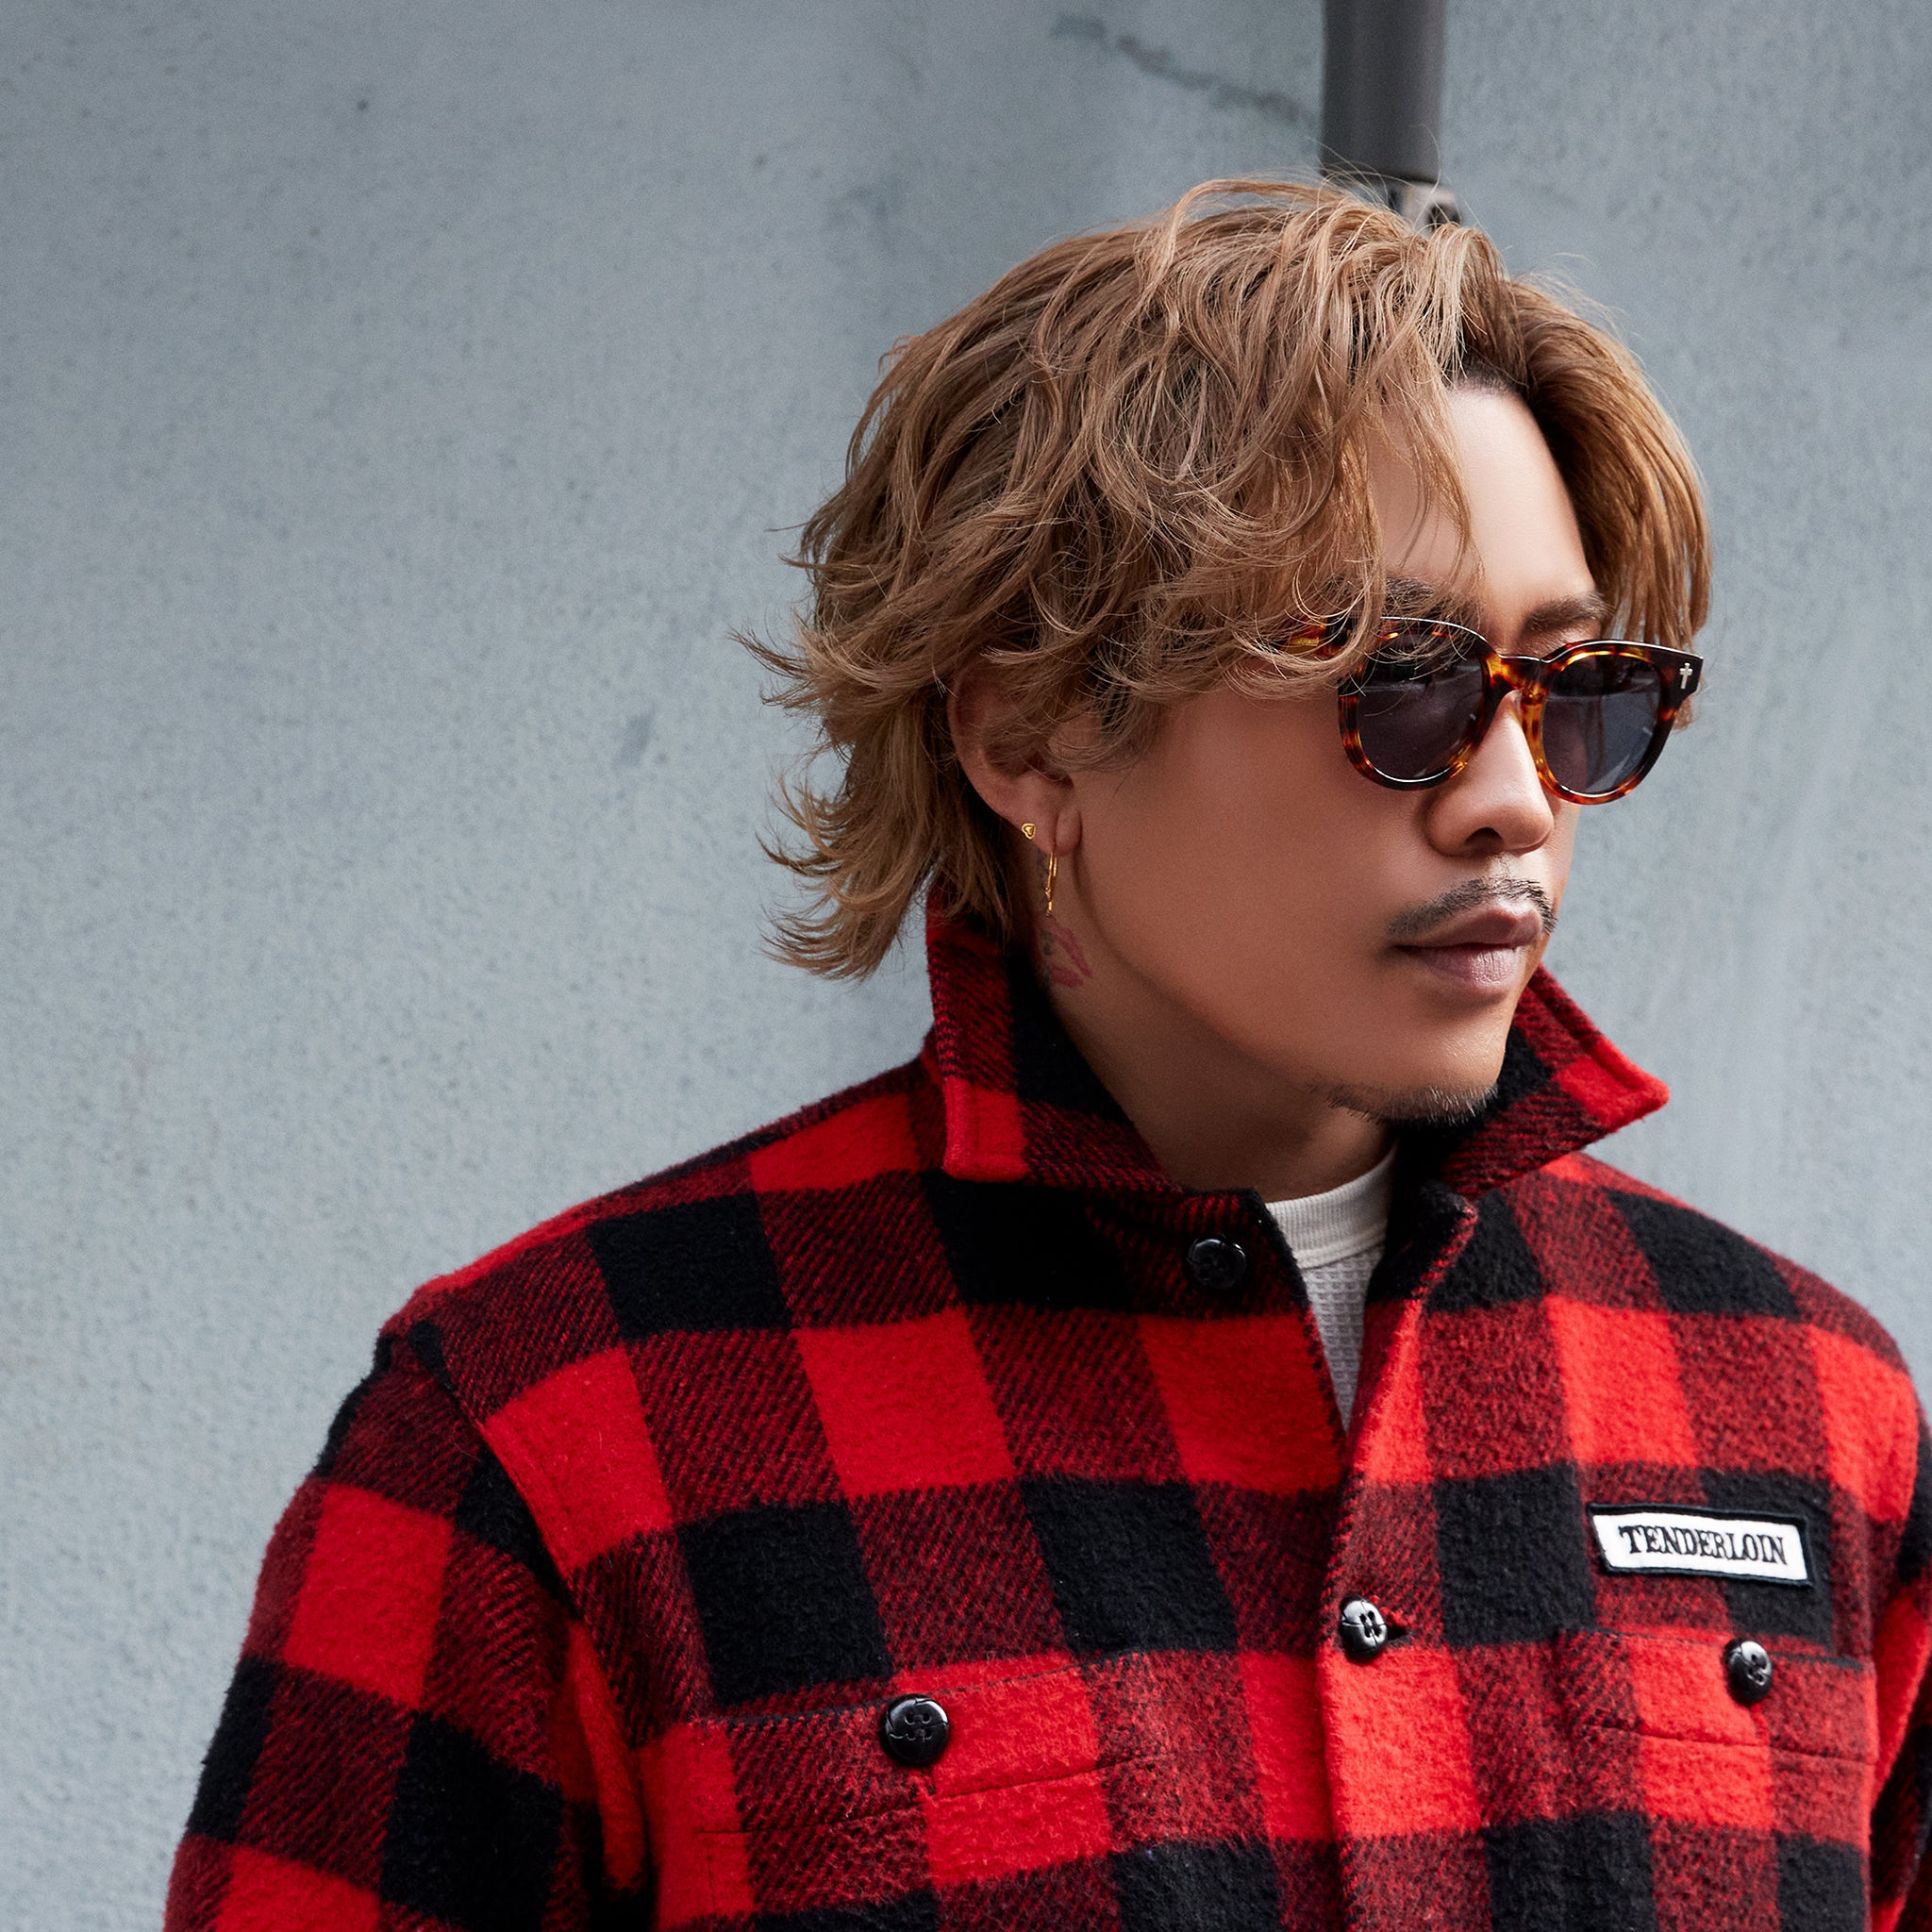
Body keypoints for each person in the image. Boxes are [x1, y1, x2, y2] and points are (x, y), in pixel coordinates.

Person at [166, 180, 1932, 1932]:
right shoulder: (551, 1431)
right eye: (1398, 687)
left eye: (1581, 694)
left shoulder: (1809, 1413)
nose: (1514, 802)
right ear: (1030, 734)